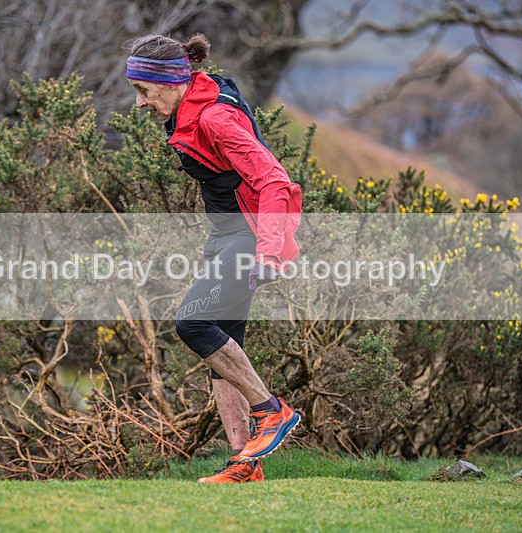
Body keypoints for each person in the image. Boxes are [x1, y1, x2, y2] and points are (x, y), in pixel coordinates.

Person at [126, 33, 302, 483]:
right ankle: (244, 465)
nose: (140, 104)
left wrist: (266, 249)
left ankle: (272, 412)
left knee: (193, 323)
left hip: (249, 235)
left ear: (169, 82)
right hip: (226, 235)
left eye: (143, 91)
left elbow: (274, 181)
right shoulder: (191, 107)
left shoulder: (217, 117)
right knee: (225, 349)